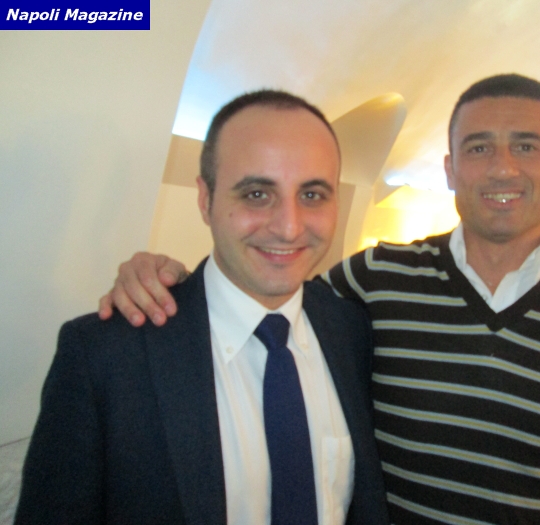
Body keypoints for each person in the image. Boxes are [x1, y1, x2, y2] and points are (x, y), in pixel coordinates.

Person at [99, 75, 540, 524]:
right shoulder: (376, 277)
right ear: (450, 169)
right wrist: (164, 278)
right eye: (479, 147)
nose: (502, 167)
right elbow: (265, 292)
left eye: (526, 146)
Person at [15, 91, 390, 525]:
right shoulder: (104, 356)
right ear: (204, 198)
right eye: (256, 194)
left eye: (312, 194)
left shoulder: (352, 329)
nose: (289, 227)